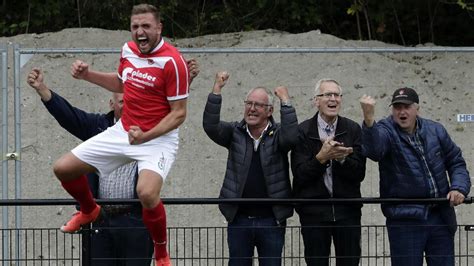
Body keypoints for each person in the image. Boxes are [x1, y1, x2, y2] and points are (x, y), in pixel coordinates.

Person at [39, 4, 191, 266]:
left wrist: (146, 136)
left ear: (159, 28)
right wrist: (88, 75)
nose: (140, 32)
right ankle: (89, 210)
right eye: (135, 27)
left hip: (157, 139)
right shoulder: (128, 50)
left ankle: (162, 253)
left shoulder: (173, 62)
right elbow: (122, 82)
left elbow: (179, 114)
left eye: (146, 26)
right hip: (125, 131)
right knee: (63, 168)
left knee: (146, 193)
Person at [359, 87, 471, 265]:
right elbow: (374, 151)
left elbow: (456, 162)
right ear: (392, 110)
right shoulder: (385, 129)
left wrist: (459, 187)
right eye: (397, 107)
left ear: (417, 109)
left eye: (407, 107)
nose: (402, 112)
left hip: (440, 216)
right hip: (405, 220)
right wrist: (369, 120)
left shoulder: (436, 130)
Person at [202, 71, 298, 266]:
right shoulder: (234, 132)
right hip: (239, 220)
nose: (252, 109)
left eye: (258, 105)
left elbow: (292, 137)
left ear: (270, 111)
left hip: (272, 220)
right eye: (249, 104)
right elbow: (210, 126)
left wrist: (286, 102)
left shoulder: (278, 134)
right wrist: (216, 91)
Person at [291, 79, 366, 266]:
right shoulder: (302, 131)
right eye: (327, 95)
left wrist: (341, 158)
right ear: (316, 101)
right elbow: (300, 174)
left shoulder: (353, 129)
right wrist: (322, 158)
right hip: (314, 214)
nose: (333, 99)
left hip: (347, 213)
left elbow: (359, 173)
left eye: (337, 95)